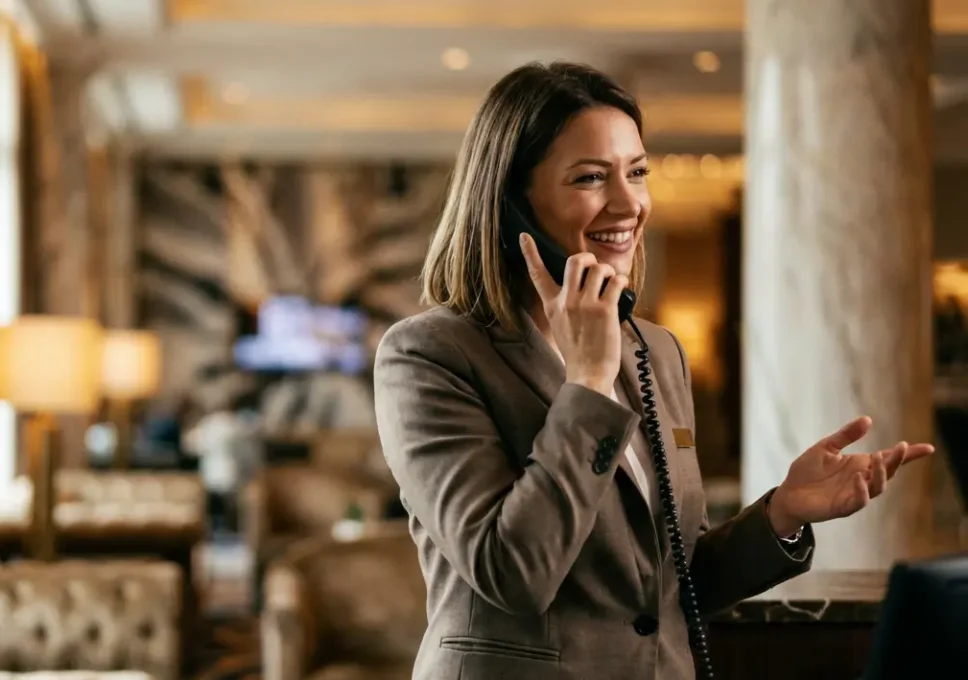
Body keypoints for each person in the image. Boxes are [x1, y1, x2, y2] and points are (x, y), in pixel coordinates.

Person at [373, 62, 934, 680]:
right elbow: (513, 571)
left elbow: (670, 584)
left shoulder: (654, 348)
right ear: (510, 203)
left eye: (637, 172)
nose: (629, 203)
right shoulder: (429, 355)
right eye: (590, 177)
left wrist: (782, 514)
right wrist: (586, 383)